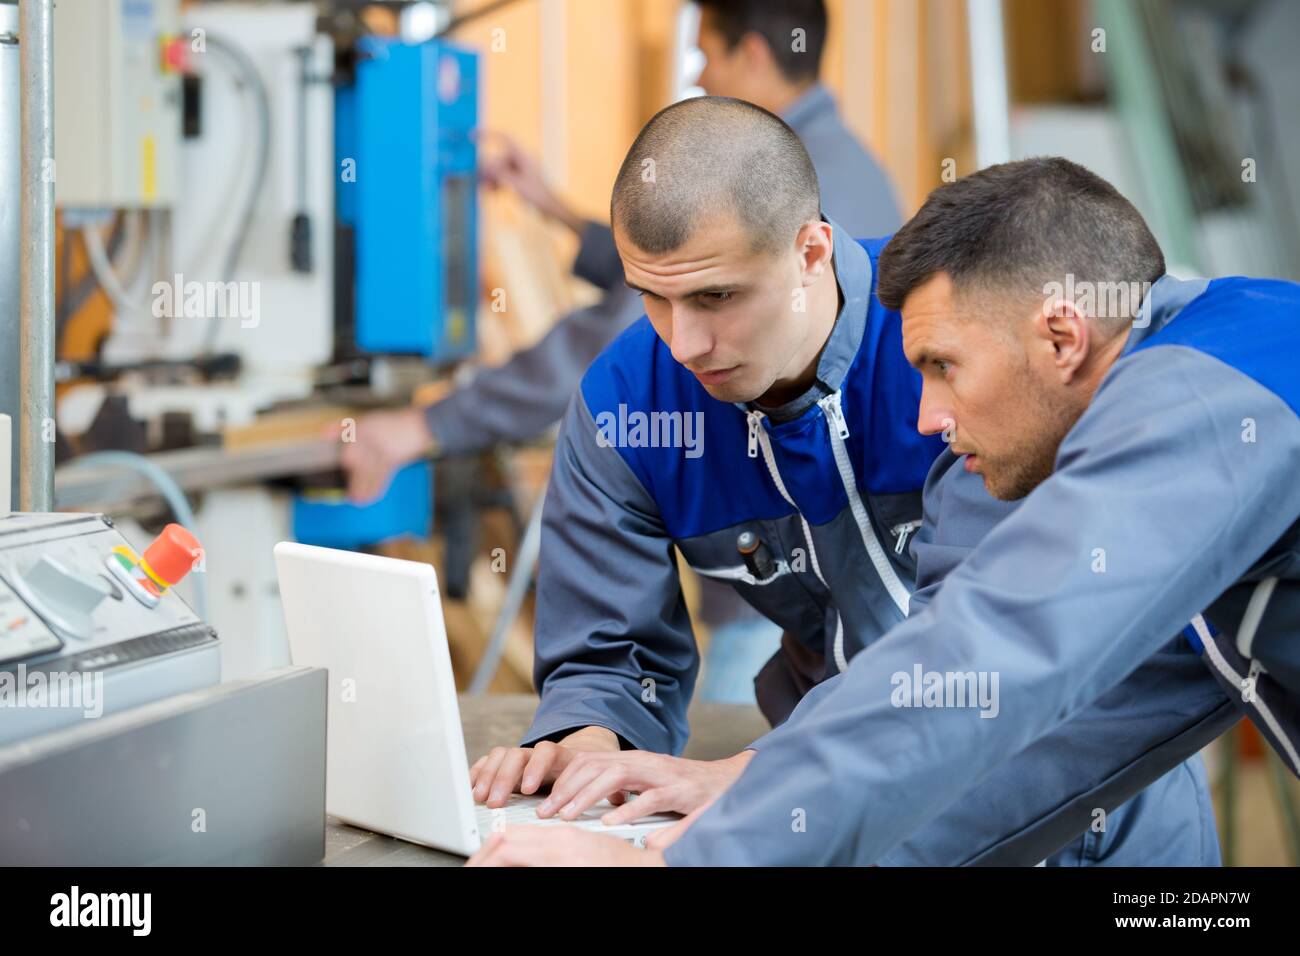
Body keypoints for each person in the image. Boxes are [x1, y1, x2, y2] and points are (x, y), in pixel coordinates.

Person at [471, 155, 1300, 867]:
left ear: (1061, 337)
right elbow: (1035, 750)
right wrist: (746, 803)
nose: (927, 418)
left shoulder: (1215, 383)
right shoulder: (1187, 508)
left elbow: (995, 647)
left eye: (944, 366)